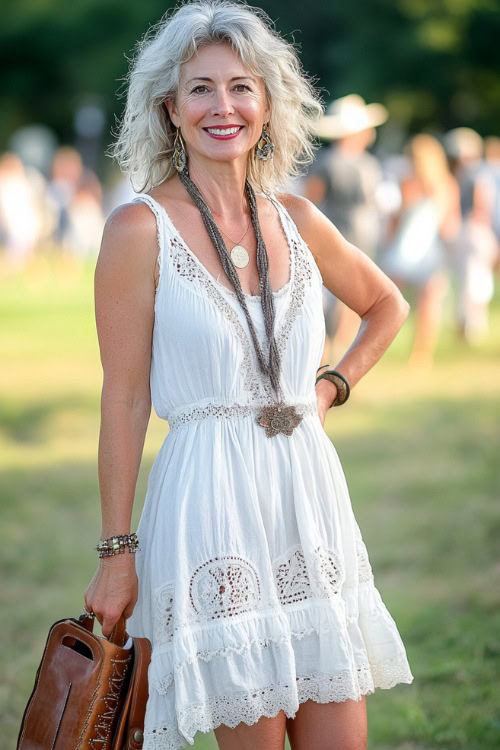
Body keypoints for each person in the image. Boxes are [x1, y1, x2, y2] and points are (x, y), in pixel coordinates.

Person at [84, 2, 414, 749]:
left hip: (306, 493)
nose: (222, 106)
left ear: (267, 102)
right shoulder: (138, 229)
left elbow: (386, 304)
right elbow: (126, 398)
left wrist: (331, 386)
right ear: (170, 108)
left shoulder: (297, 216)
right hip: (209, 507)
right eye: (200, 88)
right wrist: (115, 554)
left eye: (240, 86)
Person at [302, 95, 388, 365]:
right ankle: (342, 350)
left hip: (335, 233)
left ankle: (328, 350)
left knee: (328, 296)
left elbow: (310, 201)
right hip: (362, 233)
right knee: (353, 297)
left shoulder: (327, 163)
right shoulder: (369, 164)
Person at [379, 133, 461, 368]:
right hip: (413, 248)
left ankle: (420, 354)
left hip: (423, 249)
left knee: (423, 302)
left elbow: (447, 223)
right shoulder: (429, 183)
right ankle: (417, 353)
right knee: (398, 301)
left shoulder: (432, 184)